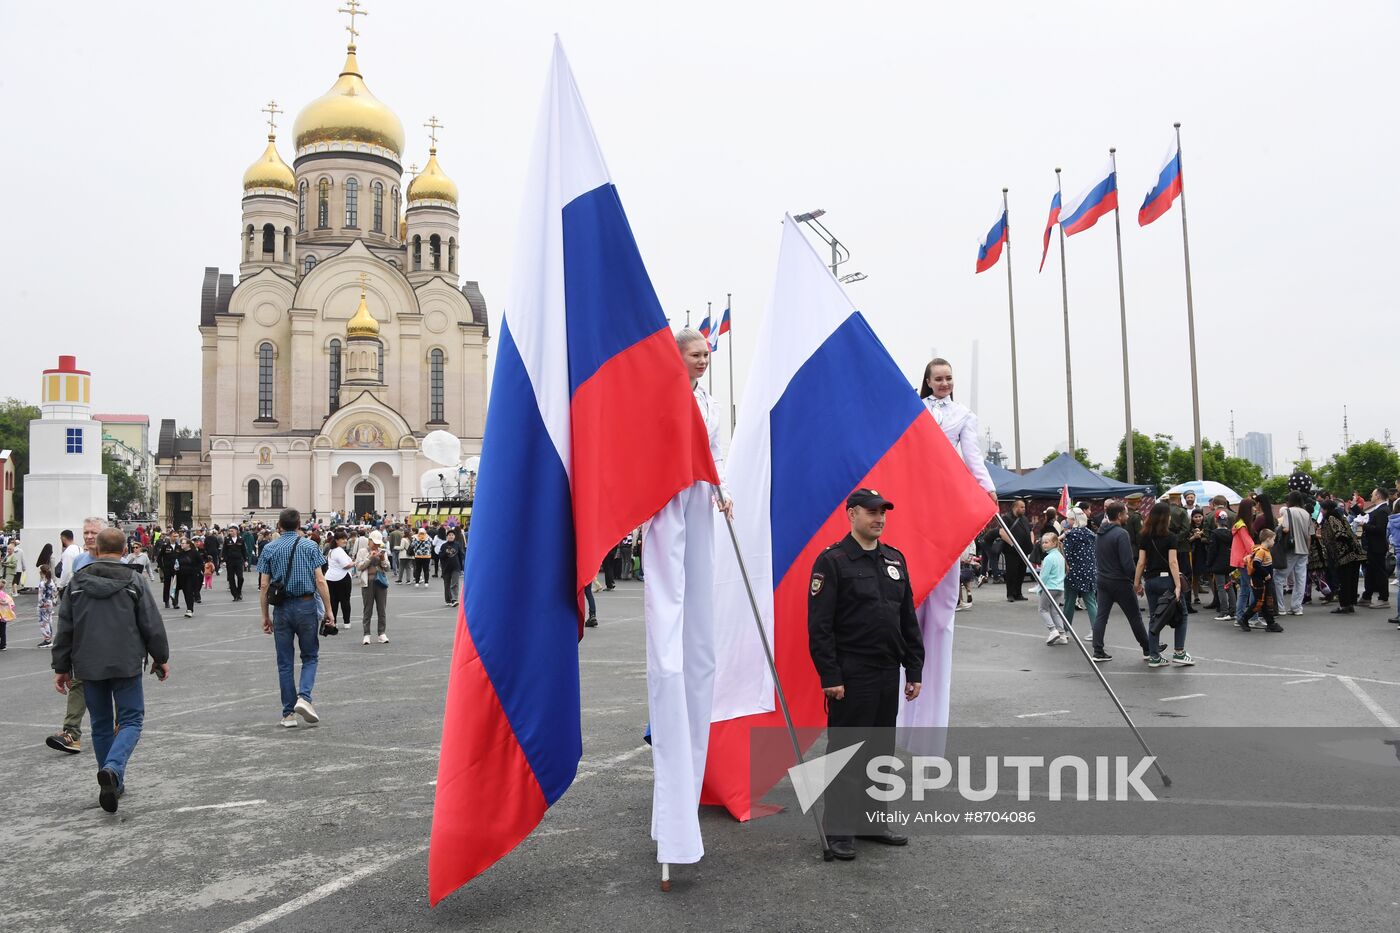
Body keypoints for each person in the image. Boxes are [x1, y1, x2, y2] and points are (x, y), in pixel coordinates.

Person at [642, 327, 730, 871]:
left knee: (700, 640)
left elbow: (718, 454)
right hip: (667, 497)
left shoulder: (713, 403)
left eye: (705, 355)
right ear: (677, 356)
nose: (702, 360)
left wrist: (724, 494)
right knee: (668, 629)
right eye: (695, 354)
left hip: (702, 501)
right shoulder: (659, 394)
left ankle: (687, 796)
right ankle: (670, 816)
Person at [808, 488, 923, 861]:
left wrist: (914, 667)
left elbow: (907, 619)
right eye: (871, 511)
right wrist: (830, 676)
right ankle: (838, 831)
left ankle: (872, 823)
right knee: (846, 753)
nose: (879, 518)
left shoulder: (894, 560)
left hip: (887, 672)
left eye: (883, 512)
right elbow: (820, 626)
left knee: (878, 752)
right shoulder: (833, 561)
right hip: (851, 675)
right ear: (851, 514)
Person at [51, 527, 170, 813]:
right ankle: (114, 770)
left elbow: (65, 626)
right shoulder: (133, 579)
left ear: (97, 548)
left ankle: (111, 779)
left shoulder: (78, 581)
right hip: (125, 659)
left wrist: (61, 666)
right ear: (124, 548)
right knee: (130, 720)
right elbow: (150, 622)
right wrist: (160, 656)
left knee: (101, 723)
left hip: (88, 661)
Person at [257, 509, 333, 728]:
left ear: (279, 525)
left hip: (281, 608)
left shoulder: (270, 548)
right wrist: (328, 610)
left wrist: (264, 616)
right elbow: (320, 581)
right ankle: (305, 698)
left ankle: (288, 713)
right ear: (300, 524)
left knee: (285, 661)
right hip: (306, 604)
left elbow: (264, 585)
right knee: (310, 655)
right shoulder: (310, 546)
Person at [1090, 502, 1154, 663]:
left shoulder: (1100, 533)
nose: (1127, 516)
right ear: (1119, 515)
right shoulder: (1121, 534)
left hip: (1103, 580)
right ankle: (1147, 648)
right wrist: (1137, 582)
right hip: (1120, 582)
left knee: (1101, 616)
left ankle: (1097, 650)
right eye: (1125, 514)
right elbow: (1127, 564)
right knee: (1134, 617)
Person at [1132, 502, 1193, 666]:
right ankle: (1179, 652)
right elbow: (1173, 562)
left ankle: (1154, 656)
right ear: (1166, 518)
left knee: (1155, 617)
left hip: (1151, 580)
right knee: (1181, 614)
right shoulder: (1171, 536)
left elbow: (1141, 562)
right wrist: (1178, 585)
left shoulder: (1144, 536)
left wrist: (1137, 583)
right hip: (1167, 580)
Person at [1319, 499, 1364, 614]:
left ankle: (1344, 605)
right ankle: (1350, 604)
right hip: (1354, 553)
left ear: (1326, 509)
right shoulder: (1340, 516)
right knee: (1351, 580)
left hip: (1344, 554)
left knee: (1344, 580)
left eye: (1322, 509)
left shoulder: (1331, 518)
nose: (1321, 511)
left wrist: (1336, 545)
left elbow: (1340, 533)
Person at [1275, 491, 1314, 616]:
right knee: (1300, 579)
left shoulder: (1288, 511)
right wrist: (1307, 551)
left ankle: (1280, 607)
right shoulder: (1306, 514)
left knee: (1279, 577)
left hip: (1291, 549)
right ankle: (1297, 607)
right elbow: (1309, 536)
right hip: (1304, 550)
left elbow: (1285, 528)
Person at [1060, 507, 1098, 630]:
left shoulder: (1070, 535)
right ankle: (1097, 631)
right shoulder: (1091, 534)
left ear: (1074, 520)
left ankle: (1065, 630)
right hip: (1090, 571)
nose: (1067, 522)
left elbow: (1067, 555)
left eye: (1069, 519)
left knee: (1069, 602)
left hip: (1074, 572)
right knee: (1091, 602)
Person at [1239, 529, 1284, 632]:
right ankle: (1244, 618)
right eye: (1273, 539)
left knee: (1265, 603)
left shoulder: (1264, 551)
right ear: (1268, 539)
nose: (1274, 541)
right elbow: (1256, 564)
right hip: (1260, 581)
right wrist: (1266, 574)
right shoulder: (1261, 551)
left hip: (1264, 581)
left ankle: (1270, 623)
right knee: (1259, 602)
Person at [354, 531, 391, 645]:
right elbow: (359, 566)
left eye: (378, 544)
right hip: (367, 583)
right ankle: (366, 634)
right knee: (367, 609)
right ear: (369, 541)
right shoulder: (362, 551)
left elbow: (388, 568)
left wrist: (383, 559)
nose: (376, 546)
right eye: (374, 543)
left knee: (382, 609)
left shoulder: (382, 551)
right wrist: (370, 558)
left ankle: (381, 633)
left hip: (380, 583)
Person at [1359, 488, 1392, 610]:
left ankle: (1383, 598)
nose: (1371, 496)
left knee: (1380, 573)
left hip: (1378, 546)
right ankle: (1367, 596)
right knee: (1371, 572)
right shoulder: (1379, 509)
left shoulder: (1383, 510)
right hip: (1374, 546)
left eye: (1372, 494)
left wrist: (1365, 525)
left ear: (1378, 496)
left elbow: (1380, 529)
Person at [1037, 532, 1069, 645]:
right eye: (1043, 542)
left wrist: (1039, 588)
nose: (1044, 544)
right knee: (1055, 611)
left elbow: (1044, 576)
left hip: (1049, 587)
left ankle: (1053, 630)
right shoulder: (1060, 556)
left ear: (1054, 543)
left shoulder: (1049, 558)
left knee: (1042, 609)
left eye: (1046, 542)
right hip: (1059, 588)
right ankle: (1062, 635)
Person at [1230, 498, 1257, 624]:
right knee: (1253, 589)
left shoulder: (1239, 524)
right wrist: (1260, 552)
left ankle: (1240, 617)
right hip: (1245, 561)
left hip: (1241, 560)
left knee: (1245, 589)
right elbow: (1249, 544)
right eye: (1253, 507)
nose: (1255, 509)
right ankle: (1252, 617)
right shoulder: (1243, 525)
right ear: (1248, 509)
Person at [999, 500, 1032, 602]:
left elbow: (1030, 531)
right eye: (1021, 507)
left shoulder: (1024, 519)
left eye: (1024, 507)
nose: (1024, 509)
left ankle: (1018, 593)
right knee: (1011, 572)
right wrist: (1012, 544)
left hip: (1024, 550)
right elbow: (1002, 532)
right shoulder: (1007, 518)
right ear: (1015, 507)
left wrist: (1031, 542)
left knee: (1021, 572)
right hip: (1011, 550)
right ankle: (1010, 594)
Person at [323, 530, 355, 629]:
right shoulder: (339, 551)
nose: (345, 540)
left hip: (330, 578)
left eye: (346, 538)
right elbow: (346, 565)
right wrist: (355, 563)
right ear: (337, 540)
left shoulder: (332, 550)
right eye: (342, 539)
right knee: (345, 601)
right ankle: (346, 622)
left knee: (333, 601)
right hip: (342, 578)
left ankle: (334, 621)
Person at [176, 536, 203, 617]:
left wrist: (196, 571)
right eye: (181, 543)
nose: (181, 545)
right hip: (182, 575)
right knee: (185, 592)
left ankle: (190, 609)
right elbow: (177, 562)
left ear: (188, 544)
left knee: (189, 591)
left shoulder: (194, 553)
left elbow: (200, 563)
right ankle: (189, 607)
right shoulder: (180, 553)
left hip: (191, 576)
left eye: (183, 543)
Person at [440, 527, 464, 608]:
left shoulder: (457, 545)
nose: (451, 536)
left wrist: (462, 567)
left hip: (456, 567)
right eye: (449, 535)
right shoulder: (443, 546)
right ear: (447, 536)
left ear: (454, 536)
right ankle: (448, 599)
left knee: (455, 583)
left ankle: (454, 599)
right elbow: (440, 556)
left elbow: (461, 556)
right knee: (447, 584)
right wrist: (446, 553)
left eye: (452, 535)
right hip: (446, 568)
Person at [224, 527, 248, 601]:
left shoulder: (241, 539)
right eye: (230, 531)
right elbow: (224, 550)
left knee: (240, 577)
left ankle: (239, 591)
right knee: (231, 578)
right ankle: (235, 595)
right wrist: (224, 560)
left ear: (236, 531)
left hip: (238, 560)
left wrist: (246, 560)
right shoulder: (227, 540)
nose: (231, 532)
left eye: (232, 531)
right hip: (230, 561)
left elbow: (244, 550)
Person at [36, 564, 58, 648]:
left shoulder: (42, 583)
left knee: (43, 622)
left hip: (44, 604)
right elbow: (55, 593)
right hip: (50, 603)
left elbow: (40, 596)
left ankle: (47, 639)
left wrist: (41, 604)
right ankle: (49, 638)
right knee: (49, 621)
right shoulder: (52, 582)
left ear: (42, 572)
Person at [0, 579, 13, 650]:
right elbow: (11, 602)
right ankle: (3, 644)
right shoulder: (5, 595)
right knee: (3, 631)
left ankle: (2, 644)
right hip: (4, 615)